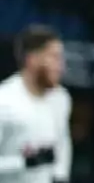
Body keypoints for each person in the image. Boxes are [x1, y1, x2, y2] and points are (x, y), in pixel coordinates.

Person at [0, 25, 73, 183]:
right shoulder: (4, 101)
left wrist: (61, 176)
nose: (61, 66)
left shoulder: (61, 98)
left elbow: (62, 144)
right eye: (54, 57)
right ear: (32, 59)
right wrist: (25, 162)